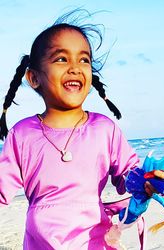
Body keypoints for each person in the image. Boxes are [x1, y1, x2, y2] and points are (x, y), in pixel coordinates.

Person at [0, 9, 143, 250]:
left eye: (84, 59)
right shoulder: (22, 134)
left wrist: (147, 180)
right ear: (34, 78)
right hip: (41, 242)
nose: (75, 67)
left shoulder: (103, 128)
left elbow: (129, 173)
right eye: (61, 59)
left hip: (94, 240)